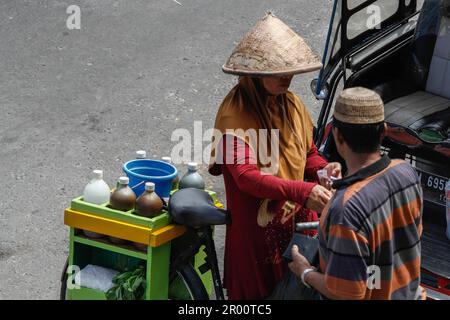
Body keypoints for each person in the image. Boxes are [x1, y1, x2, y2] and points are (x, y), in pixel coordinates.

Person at [209, 12, 341, 300]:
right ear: (256, 75)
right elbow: (246, 178)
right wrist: (303, 190)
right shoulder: (235, 115)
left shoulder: (291, 103)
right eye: (279, 71)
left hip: (296, 228)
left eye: (290, 71)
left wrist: (323, 170)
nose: (288, 78)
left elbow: (307, 154)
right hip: (256, 237)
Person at [289, 87, 426, 300]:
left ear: (338, 135)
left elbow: (347, 293)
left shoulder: (346, 210)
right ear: (383, 131)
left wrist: (305, 271)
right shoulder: (406, 172)